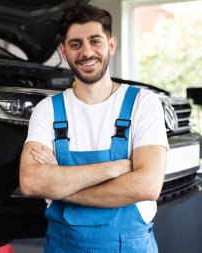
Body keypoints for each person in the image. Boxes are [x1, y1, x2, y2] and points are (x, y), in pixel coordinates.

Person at [19, 4, 168, 253]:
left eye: (95, 41)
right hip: (63, 246)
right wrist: (116, 168)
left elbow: (147, 186)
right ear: (63, 51)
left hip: (129, 247)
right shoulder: (48, 109)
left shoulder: (142, 103)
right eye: (75, 44)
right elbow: (31, 182)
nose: (87, 52)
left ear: (111, 45)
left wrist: (61, 185)